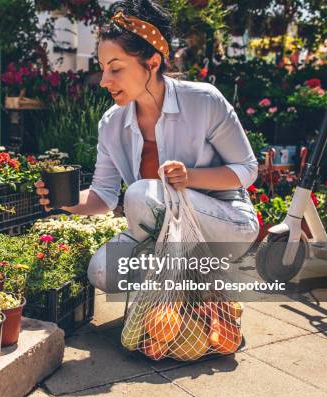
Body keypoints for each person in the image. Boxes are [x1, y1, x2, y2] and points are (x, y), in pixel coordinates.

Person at [35, 0, 259, 293]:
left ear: (152, 63)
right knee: (102, 271)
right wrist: (65, 199)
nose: (104, 80)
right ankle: (184, 287)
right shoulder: (111, 123)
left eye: (115, 69)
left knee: (141, 192)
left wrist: (190, 177)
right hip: (161, 232)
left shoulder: (204, 101)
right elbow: (104, 195)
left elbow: (247, 169)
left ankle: (195, 283)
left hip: (226, 224)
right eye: (102, 69)